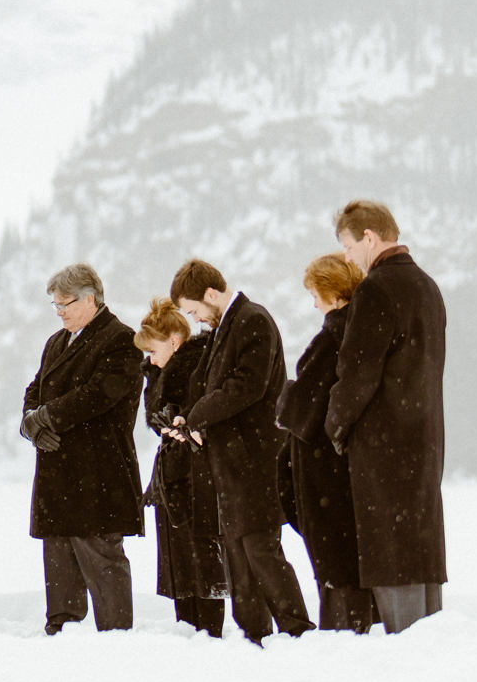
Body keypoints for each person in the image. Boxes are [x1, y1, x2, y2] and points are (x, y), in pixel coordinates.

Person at [172, 259, 313, 644]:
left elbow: (245, 386)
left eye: (195, 310)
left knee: (260, 548)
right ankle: (254, 634)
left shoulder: (253, 321)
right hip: (230, 462)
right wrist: (186, 418)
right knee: (238, 550)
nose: (196, 318)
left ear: (211, 294)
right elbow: (206, 385)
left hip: (256, 461)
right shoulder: (223, 328)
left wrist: (197, 416)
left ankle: (296, 629)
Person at [325, 200, 448, 634]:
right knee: (421, 557)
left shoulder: (375, 290)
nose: (346, 257)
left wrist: (335, 426)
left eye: (347, 245)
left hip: (384, 445)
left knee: (392, 557)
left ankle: (407, 660)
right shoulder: (428, 287)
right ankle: (429, 647)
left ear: (370, 238)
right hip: (425, 438)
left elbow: (357, 373)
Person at [18, 263, 144, 634]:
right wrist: (31, 426)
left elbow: (98, 395)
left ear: (91, 299)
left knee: (103, 560)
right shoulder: (56, 342)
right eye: (55, 306)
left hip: (97, 475)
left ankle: (116, 637)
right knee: (59, 563)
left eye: (65, 304)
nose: (59, 312)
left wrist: (46, 418)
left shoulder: (121, 339)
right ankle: (62, 630)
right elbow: (34, 391)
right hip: (58, 475)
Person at [276, 254, 376, 633]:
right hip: (332, 468)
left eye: (316, 294)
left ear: (333, 294)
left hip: (323, 471)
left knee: (334, 561)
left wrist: (285, 397)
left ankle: (343, 631)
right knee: (342, 558)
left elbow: (308, 403)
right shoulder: (353, 331)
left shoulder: (336, 334)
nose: (313, 302)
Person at [134, 298, 225, 637]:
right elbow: (159, 420)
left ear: (174, 339)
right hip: (172, 474)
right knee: (179, 562)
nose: (150, 358)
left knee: (201, 557)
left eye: (153, 350)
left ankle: (207, 631)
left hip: (195, 473)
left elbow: (193, 416)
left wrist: (177, 421)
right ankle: (189, 629)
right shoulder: (160, 371)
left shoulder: (197, 365)